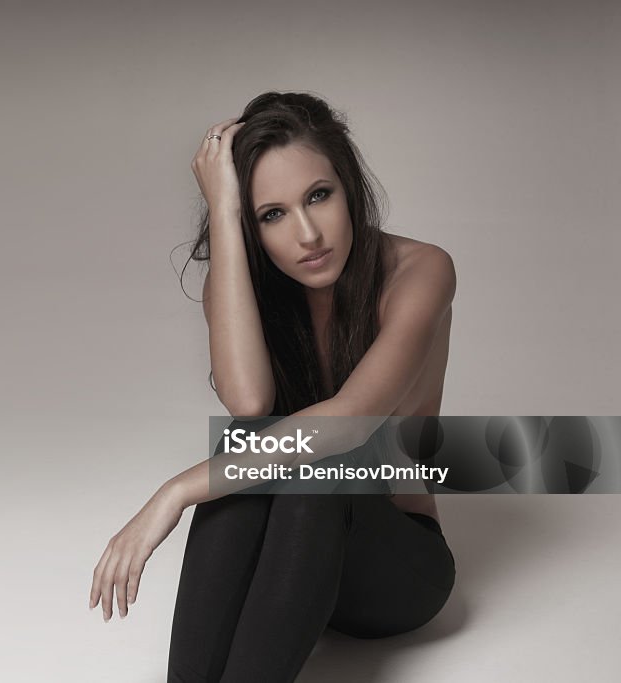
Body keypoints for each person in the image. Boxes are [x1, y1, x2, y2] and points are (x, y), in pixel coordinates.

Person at [88, 91, 457, 681]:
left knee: (315, 470)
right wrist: (227, 222)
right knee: (247, 441)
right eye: (272, 214)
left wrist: (175, 491)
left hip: (394, 569)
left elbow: (350, 421)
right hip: (296, 575)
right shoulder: (245, 287)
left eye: (318, 196)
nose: (308, 234)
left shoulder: (420, 270)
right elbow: (249, 404)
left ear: (348, 185)